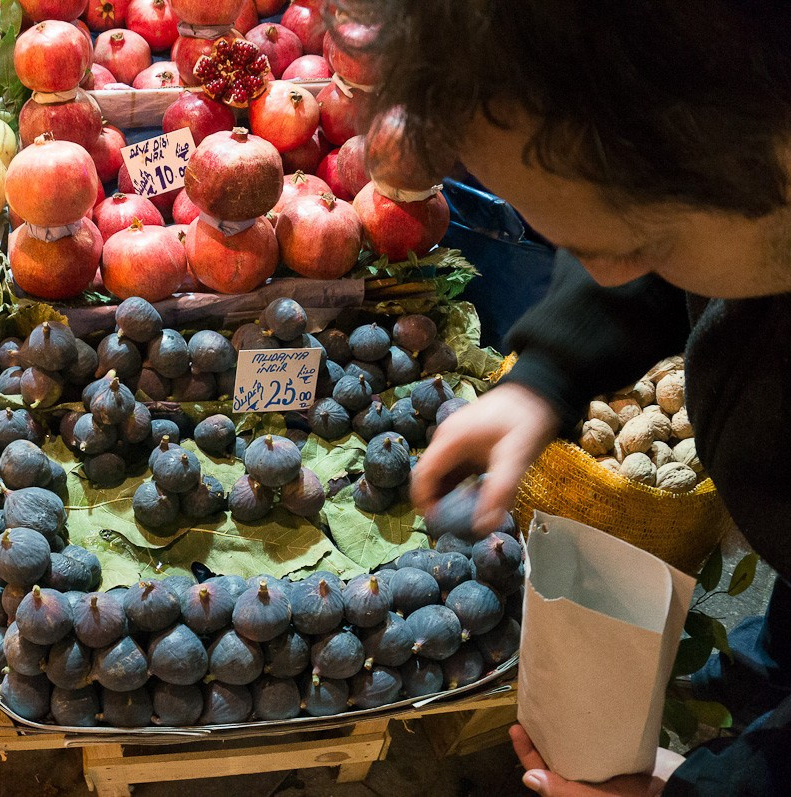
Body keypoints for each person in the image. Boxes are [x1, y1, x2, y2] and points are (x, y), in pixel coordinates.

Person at [337, 0, 791, 794]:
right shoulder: (728, 160)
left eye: (642, 245)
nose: (606, 271)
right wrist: (547, 376)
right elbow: (634, 225)